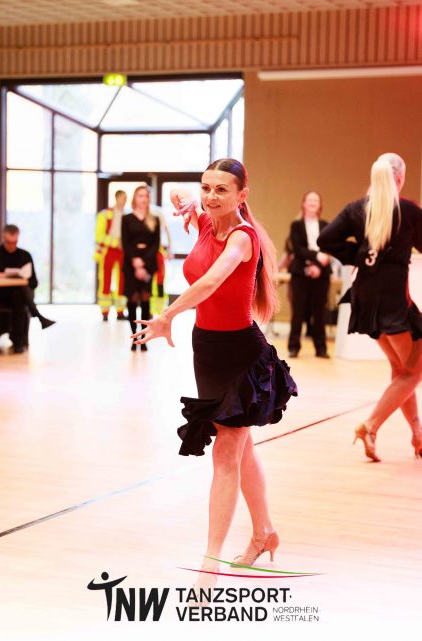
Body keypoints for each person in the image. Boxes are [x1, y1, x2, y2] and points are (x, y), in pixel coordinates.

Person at [131, 159, 297, 591]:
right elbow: (180, 196)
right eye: (206, 187)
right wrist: (188, 202)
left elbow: (208, 283)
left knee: (226, 453)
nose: (211, 196)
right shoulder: (207, 221)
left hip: (242, 356)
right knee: (241, 449)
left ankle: (210, 564)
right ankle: (264, 532)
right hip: (205, 351)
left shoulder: (243, 237)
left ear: (243, 195)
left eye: (222, 190)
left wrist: (167, 315)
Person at [318, 153, 422, 461]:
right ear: (399, 178)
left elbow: (326, 239)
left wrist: (360, 255)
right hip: (393, 300)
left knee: (401, 370)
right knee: (414, 370)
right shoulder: (407, 210)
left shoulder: (357, 208)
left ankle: (418, 434)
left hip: (364, 297)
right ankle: (370, 426)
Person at [0, 224, 55, 353]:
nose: (11, 246)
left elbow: (34, 282)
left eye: (14, 242)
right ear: (3, 238)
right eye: (8, 242)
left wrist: (22, 279)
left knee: (18, 295)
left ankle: (18, 342)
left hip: (18, 297)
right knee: (20, 294)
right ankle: (38, 316)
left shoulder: (24, 256)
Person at [287, 191, 332, 358]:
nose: (313, 202)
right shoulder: (296, 225)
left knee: (319, 311)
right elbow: (298, 248)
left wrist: (318, 266)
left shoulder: (326, 225)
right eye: (309, 200)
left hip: (322, 273)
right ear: (304, 204)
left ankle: (321, 348)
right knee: (298, 311)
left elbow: (329, 247)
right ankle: (294, 347)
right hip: (300, 272)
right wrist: (316, 256)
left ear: (320, 206)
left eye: (316, 200)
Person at [122, 185, 160, 352]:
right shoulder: (126, 219)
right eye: (140, 196)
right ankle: (134, 337)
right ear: (135, 198)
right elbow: (125, 243)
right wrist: (135, 261)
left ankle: (144, 339)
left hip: (148, 264)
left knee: (145, 300)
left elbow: (155, 245)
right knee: (132, 300)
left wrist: (143, 264)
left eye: (146, 196)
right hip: (131, 264)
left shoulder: (154, 219)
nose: (143, 199)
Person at [94, 190, 127, 321]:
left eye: (126, 198)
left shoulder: (127, 215)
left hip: (122, 252)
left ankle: (120, 311)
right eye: (123, 198)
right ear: (117, 198)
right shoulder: (104, 214)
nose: (124, 201)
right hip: (108, 251)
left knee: (122, 282)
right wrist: (114, 242)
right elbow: (99, 236)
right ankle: (105, 312)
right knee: (105, 280)